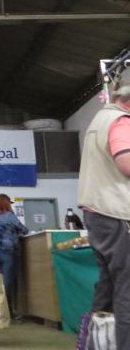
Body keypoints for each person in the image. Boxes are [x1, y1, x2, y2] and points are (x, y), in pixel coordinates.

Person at [78, 66, 130, 350]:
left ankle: (95, 344)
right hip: (118, 215)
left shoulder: (100, 119)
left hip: (97, 215)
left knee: (107, 290)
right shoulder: (122, 122)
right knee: (127, 293)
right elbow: (126, 162)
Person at [0, 193, 28, 306]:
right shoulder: (9, 216)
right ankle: (6, 309)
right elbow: (24, 230)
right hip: (8, 251)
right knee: (8, 281)